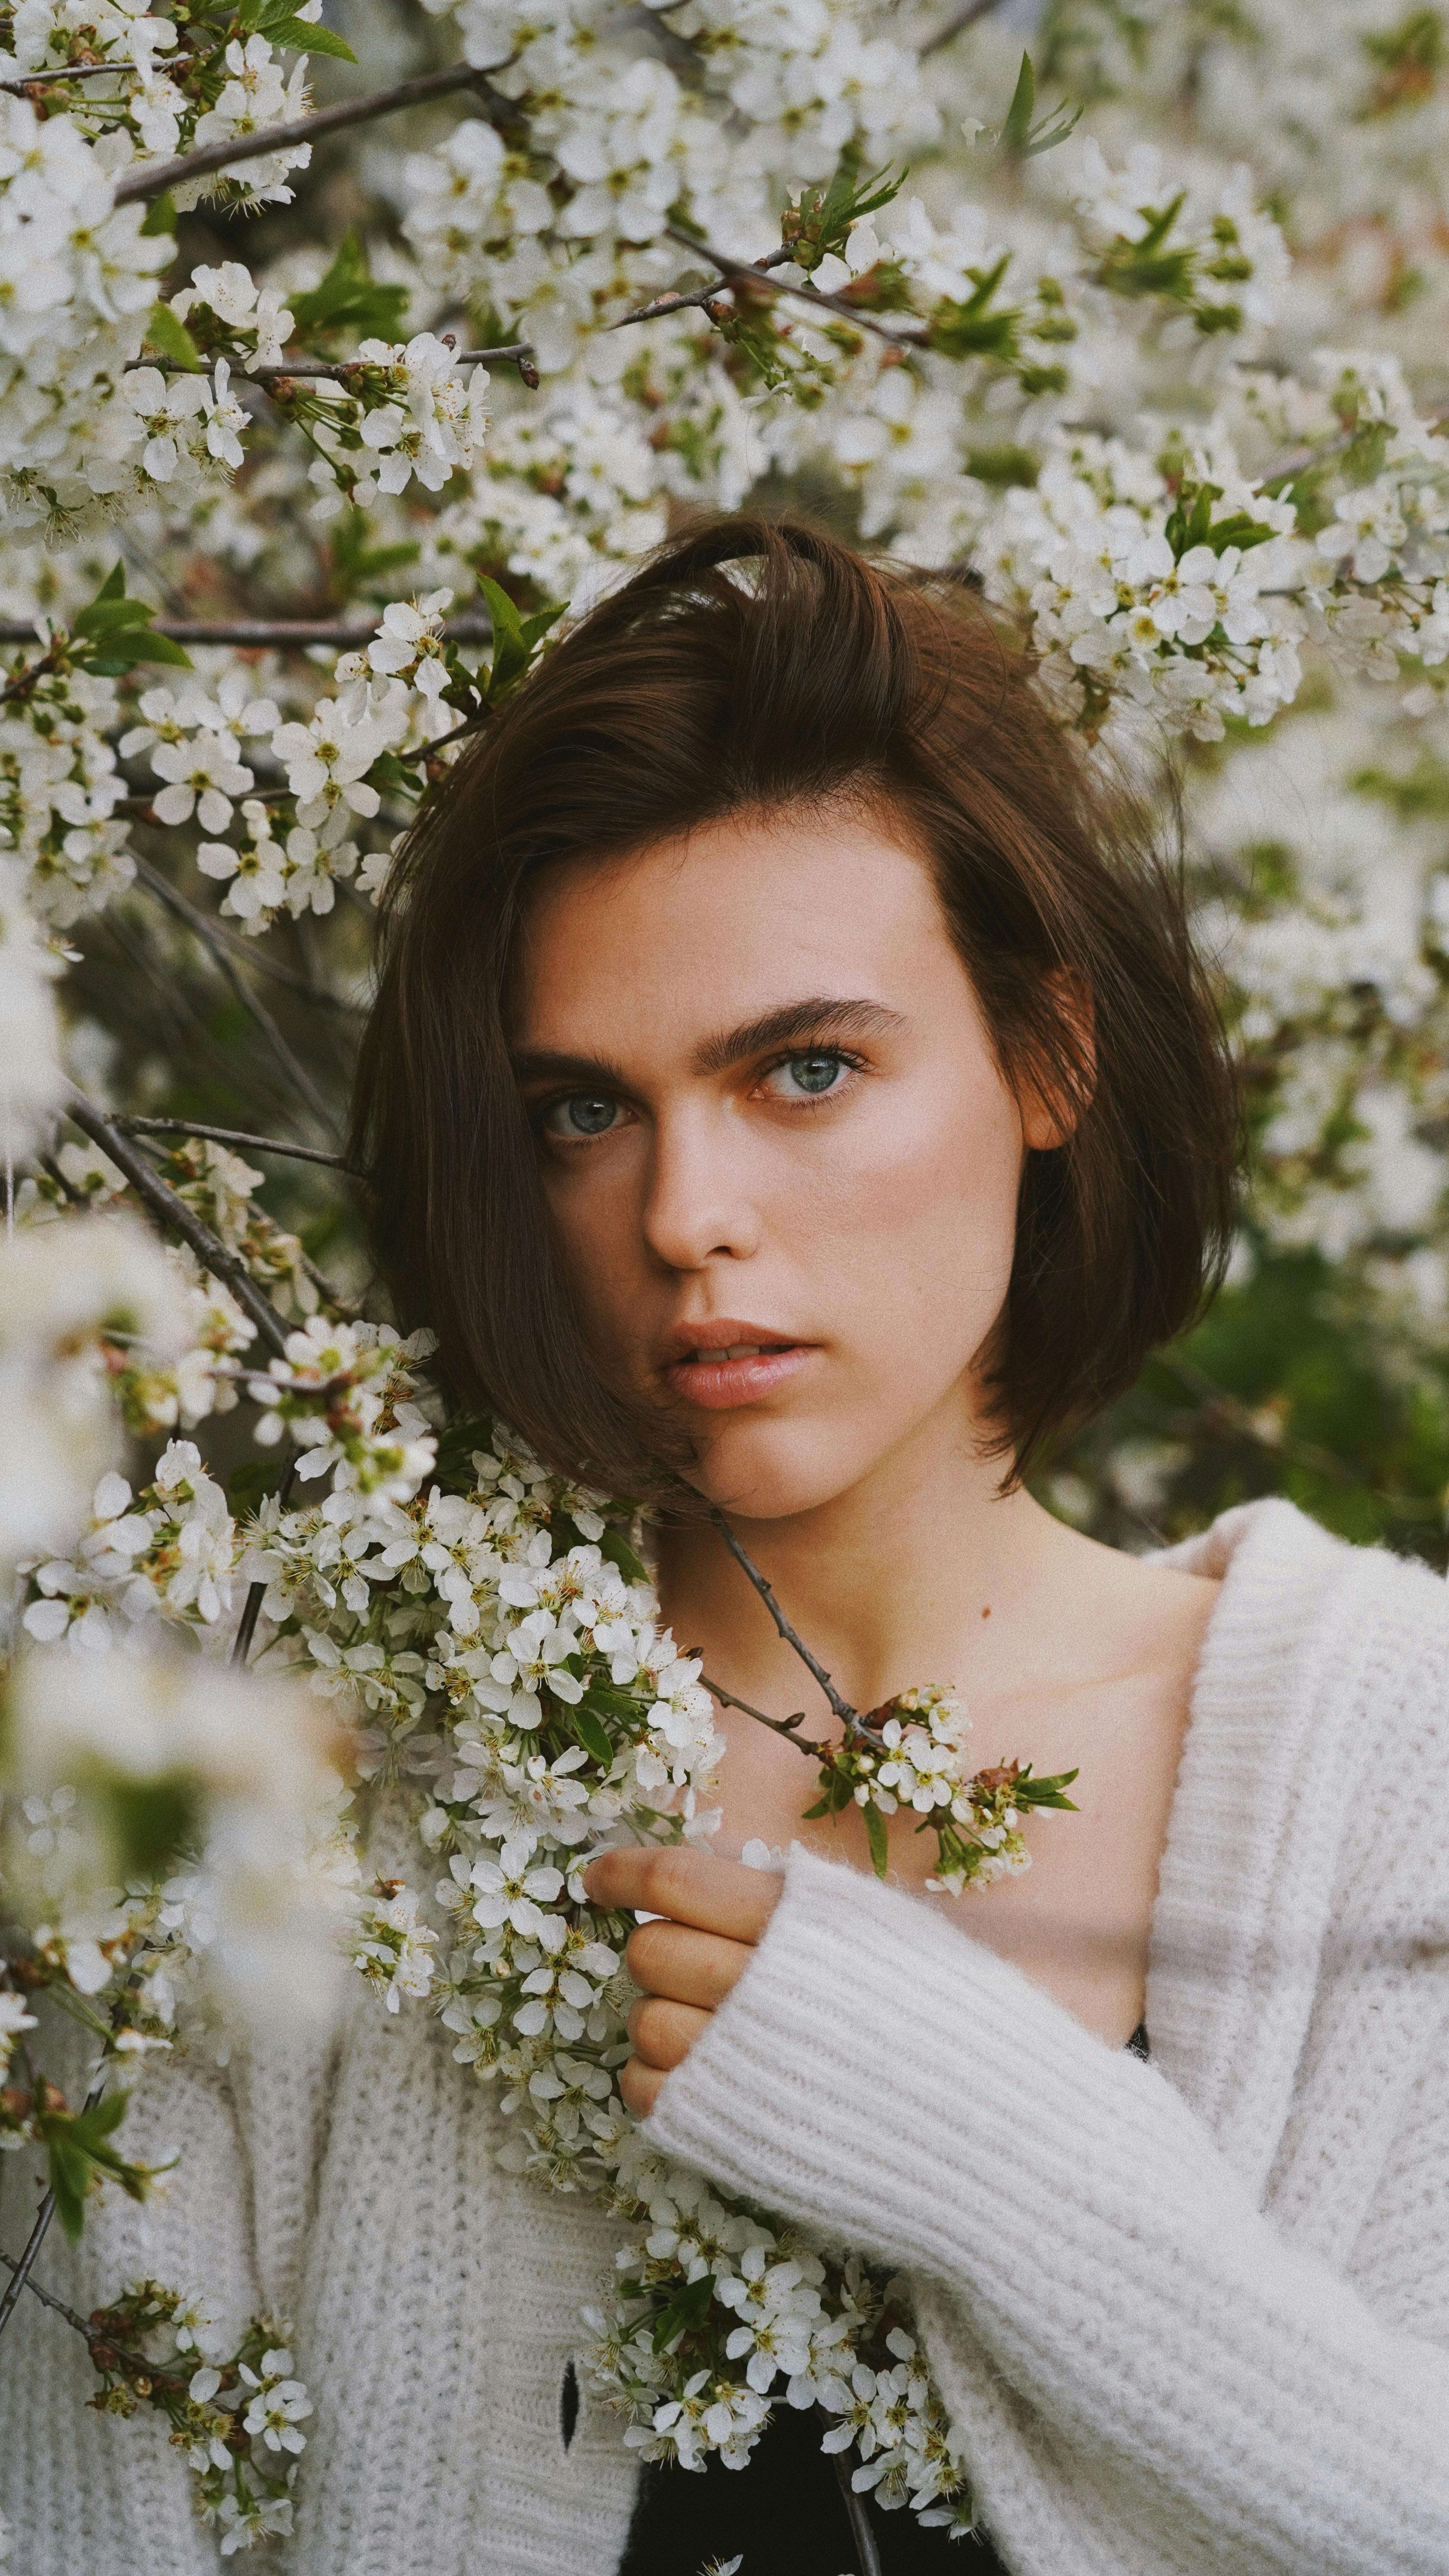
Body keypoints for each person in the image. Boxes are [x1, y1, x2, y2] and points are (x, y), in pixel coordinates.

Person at [6, 519, 1446, 2576]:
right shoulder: (297, 1762)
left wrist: (1003, 2154)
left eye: (807, 1069)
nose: (686, 1211)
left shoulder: (1391, 1752)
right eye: (585, 1112)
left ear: (1045, 1061)